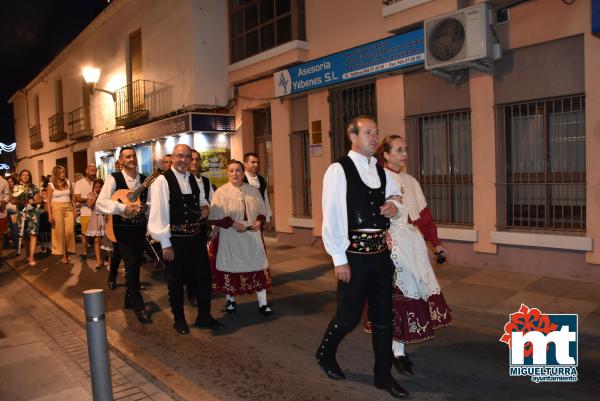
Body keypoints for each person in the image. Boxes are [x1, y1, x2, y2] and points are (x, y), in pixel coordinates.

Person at [316, 116, 408, 399]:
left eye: (376, 132)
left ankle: (383, 376)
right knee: (349, 317)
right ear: (352, 136)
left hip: (380, 255)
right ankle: (325, 353)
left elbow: (396, 197)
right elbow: (331, 215)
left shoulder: (380, 171)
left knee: (383, 319)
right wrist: (338, 259)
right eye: (368, 132)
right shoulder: (338, 169)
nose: (373, 137)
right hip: (353, 256)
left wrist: (393, 205)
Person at [369, 135, 452, 376]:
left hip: (413, 243)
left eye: (405, 149)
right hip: (391, 244)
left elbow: (424, 218)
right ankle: (397, 352)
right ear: (385, 154)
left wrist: (436, 244)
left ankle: (397, 349)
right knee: (398, 297)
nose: (404, 153)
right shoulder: (378, 179)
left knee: (412, 293)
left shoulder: (410, 181)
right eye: (398, 149)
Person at [149, 144, 223, 334]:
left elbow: (201, 200)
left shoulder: (193, 179)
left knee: (204, 278)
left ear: (191, 160)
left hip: (196, 237)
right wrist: (165, 244)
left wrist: (205, 206)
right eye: (180, 156)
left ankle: (204, 317)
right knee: (175, 281)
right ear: (172, 158)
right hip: (175, 240)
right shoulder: (162, 181)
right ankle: (179, 319)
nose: (183, 160)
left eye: (187, 157)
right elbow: (159, 214)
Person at [208, 159, 273, 316]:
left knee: (258, 267)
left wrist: (259, 221)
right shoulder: (221, 192)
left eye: (238, 170)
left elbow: (262, 211)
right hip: (230, 236)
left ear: (243, 173)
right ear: (227, 173)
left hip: (252, 236)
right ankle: (230, 300)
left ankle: (263, 303)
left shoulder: (253, 190)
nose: (234, 174)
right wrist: (234, 224)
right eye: (231, 171)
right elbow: (215, 216)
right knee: (230, 269)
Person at [96, 146, 151, 324]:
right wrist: (122, 208)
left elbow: (150, 203)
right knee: (132, 263)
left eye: (133, 156)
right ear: (120, 161)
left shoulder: (144, 180)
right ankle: (138, 305)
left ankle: (129, 298)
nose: (131, 159)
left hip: (139, 228)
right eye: (127, 157)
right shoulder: (114, 178)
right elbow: (101, 203)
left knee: (135, 263)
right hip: (121, 229)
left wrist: (145, 207)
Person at [185, 149, 215, 306]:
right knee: (190, 262)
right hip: (187, 227)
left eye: (197, 159)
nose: (195, 162)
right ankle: (192, 292)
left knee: (201, 261)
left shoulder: (206, 181)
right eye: (192, 159)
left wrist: (208, 210)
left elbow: (211, 201)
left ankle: (201, 290)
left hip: (202, 226)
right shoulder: (183, 180)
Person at [47, 166, 76, 264]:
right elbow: (48, 200)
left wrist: (74, 210)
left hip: (68, 208)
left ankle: (67, 251)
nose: (63, 174)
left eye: (64, 172)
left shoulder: (68, 182)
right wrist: (50, 214)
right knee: (59, 232)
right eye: (60, 173)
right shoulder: (51, 185)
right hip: (56, 208)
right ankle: (64, 254)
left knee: (69, 231)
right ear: (56, 174)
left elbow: (72, 197)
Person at [14, 170, 42, 266]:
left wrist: (32, 202)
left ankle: (32, 258)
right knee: (25, 236)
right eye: (23, 175)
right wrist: (20, 201)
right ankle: (28, 255)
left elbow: (39, 199)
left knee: (33, 234)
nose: (25, 176)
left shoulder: (33, 187)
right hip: (21, 213)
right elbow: (13, 201)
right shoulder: (16, 188)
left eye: (27, 175)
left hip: (32, 213)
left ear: (29, 177)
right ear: (20, 177)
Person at [74, 164, 98, 261]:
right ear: (86, 171)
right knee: (85, 234)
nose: (94, 173)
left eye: (95, 170)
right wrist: (90, 199)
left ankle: (98, 253)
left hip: (97, 212)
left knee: (98, 234)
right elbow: (77, 198)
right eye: (92, 170)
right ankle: (84, 253)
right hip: (85, 212)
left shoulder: (97, 182)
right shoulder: (79, 183)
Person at [242, 153, 272, 230]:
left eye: (257, 162)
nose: (256, 165)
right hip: (244, 218)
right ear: (245, 164)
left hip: (259, 217)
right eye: (253, 162)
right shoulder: (241, 179)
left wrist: (267, 218)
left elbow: (265, 199)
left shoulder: (261, 179)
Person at [85, 179, 105, 270]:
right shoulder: (91, 194)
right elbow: (89, 205)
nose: (98, 189)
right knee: (96, 240)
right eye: (96, 187)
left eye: (99, 187)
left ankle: (107, 260)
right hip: (95, 218)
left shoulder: (105, 194)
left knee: (105, 241)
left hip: (105, 218)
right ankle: (98, 261)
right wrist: (96, 197)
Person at [37, 188, 52, 254]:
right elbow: (38, 211)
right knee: (42, 234)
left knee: (48, 233)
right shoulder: (39, 202)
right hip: (41, 220)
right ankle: (43, 245)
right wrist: (43, 210)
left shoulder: (50, 201)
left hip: (47, 219)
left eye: (45, 194)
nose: (44, 195)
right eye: (42, 194)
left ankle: (48, 246)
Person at [0, 175, 9, 265]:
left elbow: (7, 195)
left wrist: (3, 202)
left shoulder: (3, 181)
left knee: (0, 236)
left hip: (1, 214)